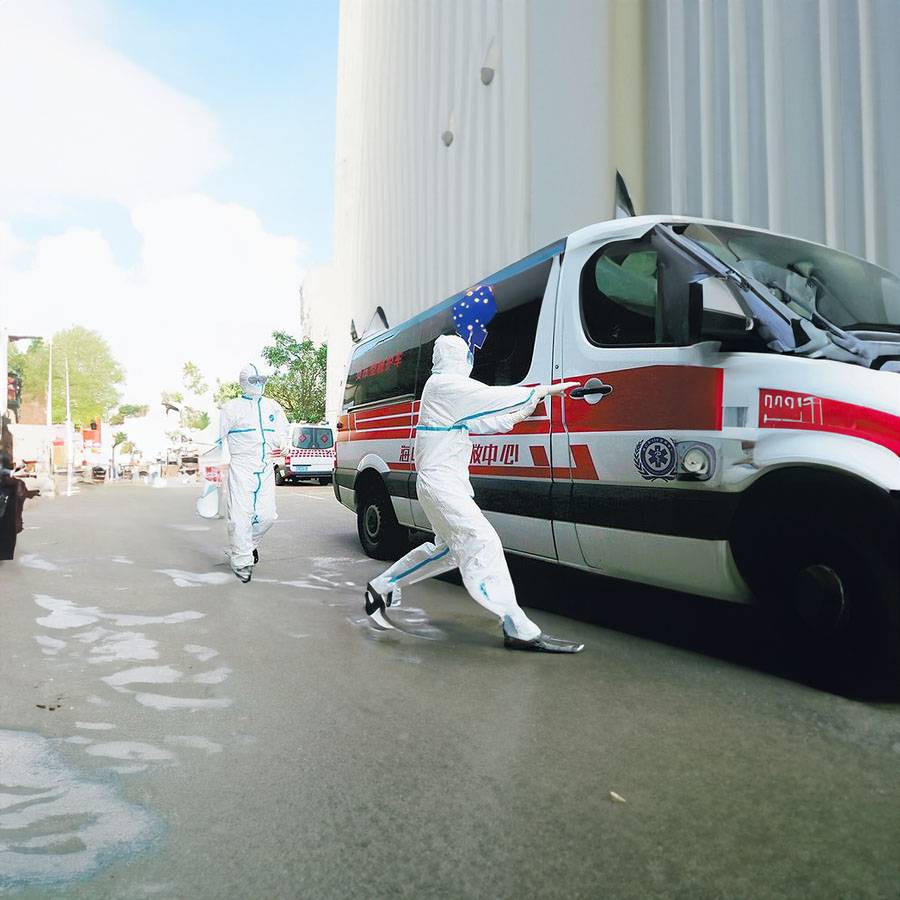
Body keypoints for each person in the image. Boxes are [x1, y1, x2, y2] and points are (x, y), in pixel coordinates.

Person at [364, 334, 583, 652]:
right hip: (441, 486)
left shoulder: (446, 393)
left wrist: (524, 411)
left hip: (444, 486)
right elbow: (491, 397)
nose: (470, 362)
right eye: (467, 356)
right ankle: (516, 625)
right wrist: (541, 390)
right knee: (484, 542)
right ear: (456, 358)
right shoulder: (443, 386)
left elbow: (485, 422)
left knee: (449, 551)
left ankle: (381, 586)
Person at [219, 364, 289, 582]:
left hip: (266, 467)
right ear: (243, 381)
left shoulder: (273, 407)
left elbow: (282, 430)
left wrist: (284, 443)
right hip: (242, 467)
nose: (258, 385)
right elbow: (216, 439)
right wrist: (212, 466)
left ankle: (249, 546)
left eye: (261, 380)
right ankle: (242, 562)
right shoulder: (231, 408)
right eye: (254, 380)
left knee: (267, 516)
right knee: (241, 517)